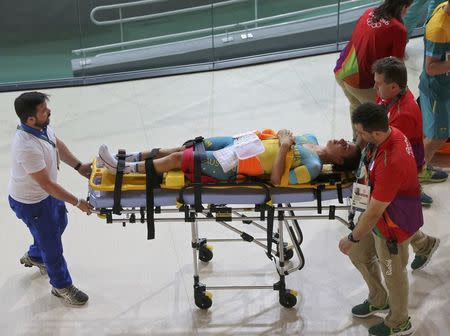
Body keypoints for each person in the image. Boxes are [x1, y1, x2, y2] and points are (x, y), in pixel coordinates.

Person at [339, 103, 422, 336]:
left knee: (393, 274)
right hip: (378, 219)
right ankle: (378, 299)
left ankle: (400, 322)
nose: (358, 137)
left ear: (375, 133)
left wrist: (352, 237)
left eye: (361, 133)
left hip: (391, 226)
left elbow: (375, 211)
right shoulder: (387, 134)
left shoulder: (390, 162)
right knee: (357, 254)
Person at [8, 92, 93, 306]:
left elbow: (57, 144)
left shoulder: (42, 128)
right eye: (44, 111)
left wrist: (78, 166)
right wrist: (78, 202)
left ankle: (36, 256)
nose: (49, 112)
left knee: (60, 223)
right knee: (52, 244)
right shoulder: (26, 146)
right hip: (31, 202)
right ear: (30, 119)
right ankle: (61, 286)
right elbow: (47, 184)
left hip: (47, 195)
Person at [372, 56, 440, 270]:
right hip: (398, 165)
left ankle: (424, 245)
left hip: (403, 171)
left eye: (379, 83)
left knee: (397, 216)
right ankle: (424, 244)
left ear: (393, 86)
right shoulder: (389, 98)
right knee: (394, 216)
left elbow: (390, 149)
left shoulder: (402, 114)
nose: (374, 86)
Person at [98, 130, 361, 185]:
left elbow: (277, 183)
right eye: (345, 140)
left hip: (235, 164)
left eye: (345, 147)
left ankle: (122, 169)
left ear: (338, 162)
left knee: (179, 159)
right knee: (184, 147)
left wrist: (282, 147)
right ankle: (126, 157)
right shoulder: (310, 139)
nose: (341, 140)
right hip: (241, 144)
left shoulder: (313, 167)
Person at [334, 0, 412, 139]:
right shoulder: (398, 29)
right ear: (403, 6)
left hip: (342, 70)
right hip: (361, 82)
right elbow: (396, 67)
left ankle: (356, 145)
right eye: (408, 8)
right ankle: (368, 152)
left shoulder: (368, 12)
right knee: (377, 123)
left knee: (356, 108)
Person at [418, 0, 450, 181]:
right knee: (437, 136)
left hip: (445, 87)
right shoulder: (439, 29)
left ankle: (423, 166)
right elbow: (430, 68)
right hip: (437, 91)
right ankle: (416, 175)